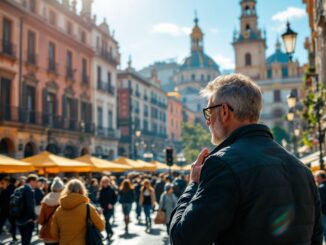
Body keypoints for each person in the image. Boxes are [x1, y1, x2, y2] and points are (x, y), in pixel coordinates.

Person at [169, 74, 323, 245]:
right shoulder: (302, 169)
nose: (208, 122)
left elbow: (182, 239)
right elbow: (316, 238)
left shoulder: (222, 164)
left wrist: (193, 184)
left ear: (225, 112)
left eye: (209, 113)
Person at [50, 179, 104, 245]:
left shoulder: (59, 210)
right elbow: (101, 227)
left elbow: (53, 232)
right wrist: (101, 215)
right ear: (82, 190)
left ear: (66, 190)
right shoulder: (87, 208)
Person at [38, 177, 65, 245]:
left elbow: (41, 220)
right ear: (62, 189)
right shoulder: (64, 200)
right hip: (60, 233)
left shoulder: (45, 199)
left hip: (48, 234)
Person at [15, 174, 38, 245]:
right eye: (36, 181)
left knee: (23, 241)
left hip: (18, 218)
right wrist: (34, 218)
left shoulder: (19, 188)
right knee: (26, 241)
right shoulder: (29, 190)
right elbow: (30, 206)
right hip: (27, 220)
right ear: (32, 181)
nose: (36, 184)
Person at [0, 177, 17, 241]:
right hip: (11, 209)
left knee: (1, 222)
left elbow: (0, 200)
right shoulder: (15, 190)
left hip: (4, 209)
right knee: (13, 224)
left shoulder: (4, 190)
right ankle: (14, 237)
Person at [315, 170, 326, 242]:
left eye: (317, 177)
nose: (316, 179)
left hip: (324, 213)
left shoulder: (321, 188)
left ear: (323, 178)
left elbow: (320, 202)